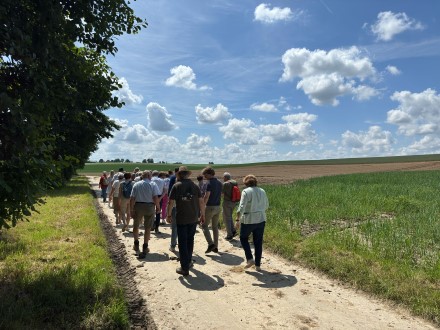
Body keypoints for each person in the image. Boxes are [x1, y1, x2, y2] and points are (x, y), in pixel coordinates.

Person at [167, 166, 205, 276]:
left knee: (182, 243)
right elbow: (201, 202)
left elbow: (171, 202)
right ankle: (188, 261)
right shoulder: (195, 186)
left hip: (181, 218)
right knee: (190, 240)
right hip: (193, 218)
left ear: (178, 175)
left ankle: (184, 268)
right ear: (188, 175)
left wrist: (168, 214)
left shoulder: (176, 186)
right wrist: (202, 214)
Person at [235, 175, 269, 272]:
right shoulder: (262, 191)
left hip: (249, 219)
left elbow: (241, 207)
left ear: (246, 183)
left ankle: (250, 259)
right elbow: (266, 205)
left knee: (243, 238)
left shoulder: (246, 192)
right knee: (258, 242)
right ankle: (258, 265)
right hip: (261, 218)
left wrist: (237, 220)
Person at [130, 170, 161, 258]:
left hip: (138, 206)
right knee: (147, 227)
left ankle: (136, 244)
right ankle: (145, 247)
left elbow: (132, 198)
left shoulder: (136, 184)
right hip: (149, 207)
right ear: (148, 175)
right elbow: (155, 197)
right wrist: (158, 207)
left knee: (136, 226)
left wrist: (131, 209)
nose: (151, 176)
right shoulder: (153, 184)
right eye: (150, 175)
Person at [201, 166, 223, 254]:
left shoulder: (208, 183)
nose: (204, 176)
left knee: (204, 226)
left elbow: (206, 196)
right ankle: (216, 246)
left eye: (205, 174)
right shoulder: (220, 183)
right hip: (218, 207)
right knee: (215, 227)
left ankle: (211, 244)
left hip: (210, 207)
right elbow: (221, 194)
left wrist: (202, 206)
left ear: (209, 174)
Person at [222, 172, 238, 240]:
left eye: (223, 177)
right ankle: (233, 231)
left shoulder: (225, 184)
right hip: (234, 202)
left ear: (225, 177)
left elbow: (222, 193)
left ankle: (229, 235)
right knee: (230, 216)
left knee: (226, 218)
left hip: (227, 202)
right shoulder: (235, 182)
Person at [167, 167, 180, 252]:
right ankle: (182, 245)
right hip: (185, 208)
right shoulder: (189, 183)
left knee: (174, 227)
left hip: (175, 206)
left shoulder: (172, 179)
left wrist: (168, 214)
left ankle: (173, 245)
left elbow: (170, 198)